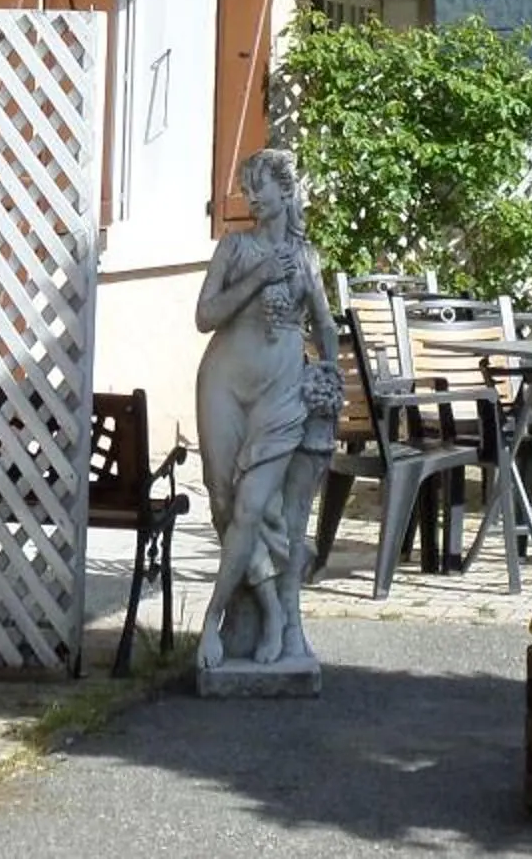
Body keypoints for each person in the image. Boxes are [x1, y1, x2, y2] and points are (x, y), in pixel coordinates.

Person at [191, 147, 339, 671]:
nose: (251, 196)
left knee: (255, 507)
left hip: (280, 387)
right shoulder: (234, 250)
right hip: (224, 384)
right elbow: (205, 316)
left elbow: (323, 324)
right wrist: (257, 278)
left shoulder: (306, 258)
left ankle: (209, 621)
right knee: (226, 503)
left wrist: (329, 373)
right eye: (247, 185)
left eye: (260, 186)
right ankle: (272, 611)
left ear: (285, 192)